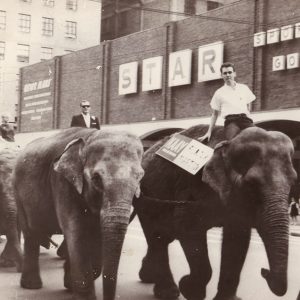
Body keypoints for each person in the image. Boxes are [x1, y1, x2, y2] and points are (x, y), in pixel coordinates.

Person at [198, 62, 256, 142]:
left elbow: (249, 104)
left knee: (258, 137)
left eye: (230, 72)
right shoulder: (219, 92)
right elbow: (215, 114)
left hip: (245, 120)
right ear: (221, 75)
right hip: (231, 122)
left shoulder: (244, 88)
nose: (228, 75)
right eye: (225, 73)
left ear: (234, 74)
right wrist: (209, 132)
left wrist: (247, 114)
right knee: (232, 143)